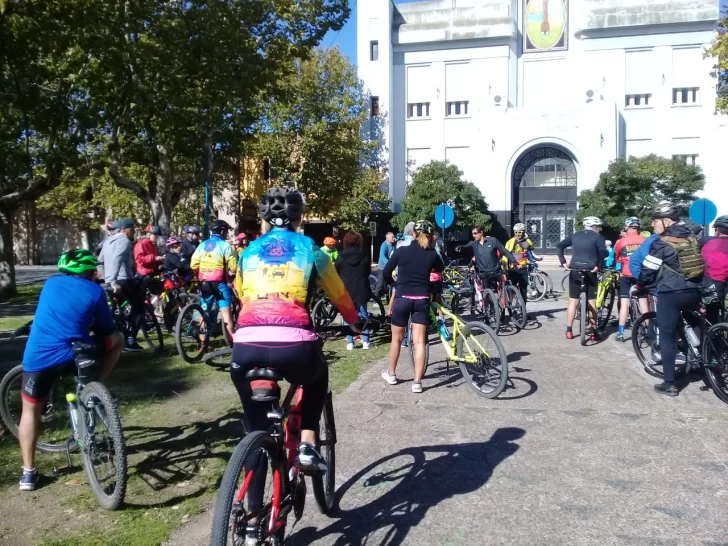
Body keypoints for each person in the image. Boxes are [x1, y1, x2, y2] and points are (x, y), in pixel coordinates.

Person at [232, 187, 360, 542]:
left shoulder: (247, 252)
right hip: (295, 346)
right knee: (317, 376)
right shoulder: (313, 251)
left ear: (263, 217)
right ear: (299, 216)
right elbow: (340, 296)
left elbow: (244, 294)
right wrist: (356, 322)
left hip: (246, 347)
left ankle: (253, 521)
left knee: (255, 429)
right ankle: (306, 443)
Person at [18, 250, 124, 491]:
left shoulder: (50, 283)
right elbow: (107, 328)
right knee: (118, 338)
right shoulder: (95, 291)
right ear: (87, 272)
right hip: (76, 355)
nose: (96, 273)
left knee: (29, 412)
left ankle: (28, 474)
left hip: (38, 358)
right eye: (93, 270)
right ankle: (96, 388)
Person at [636, 205, 704, 396]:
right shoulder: (691, 237)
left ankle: (669, 384)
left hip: (671, 293)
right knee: (696, 323)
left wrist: (641, 285)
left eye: (656, 220)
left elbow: (648, 270)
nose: (653, 224)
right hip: (695, 290)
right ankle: (701, 361)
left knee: (667, 336)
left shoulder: (662, 243)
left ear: (666, 221)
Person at [381, 220, 445, 393]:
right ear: (431, 237)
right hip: (421, 299)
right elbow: (440, 268)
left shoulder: (401, 250)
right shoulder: (432, 254)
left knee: (396, 339)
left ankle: (392, 373)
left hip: (402, 297)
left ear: (414, 234)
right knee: (419, 342)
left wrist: (394, 284)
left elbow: (386, 272)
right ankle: (417, 382)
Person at [556, 216, 608, 341]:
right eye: (598, 227)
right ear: (594, 227)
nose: (599, 229)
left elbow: (559, 246)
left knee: (572, 301)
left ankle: (569, 330)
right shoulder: (598, 237)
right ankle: (594, 332)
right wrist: (598, 265)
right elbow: (603, 252)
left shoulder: (575, 236)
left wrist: (563, 262)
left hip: (575, 269)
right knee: (592, 301)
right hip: (591, 270)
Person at [98, 218, 145, 352]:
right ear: (124, 229)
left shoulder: (108, 241)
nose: (134, 231)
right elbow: (117, 260)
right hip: (123, 281)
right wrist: (112, 281)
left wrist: (106, 277)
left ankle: (120, 329)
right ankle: (131, 340)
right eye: (132, 229)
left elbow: (99, 262)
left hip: (110, 280)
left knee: (117, 309)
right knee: (139, 308)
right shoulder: (124, 241)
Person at [190, 219, 238, 340]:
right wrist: (232, 273)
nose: (226, 234)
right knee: (227, 315)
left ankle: (203, 345)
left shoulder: (203, 245)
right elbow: (234, 266)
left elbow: (193, 265)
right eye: (226, 231)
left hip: (204, 282)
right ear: (222, 231)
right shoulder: (225, 246)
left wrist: (200, 274)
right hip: (219, 284)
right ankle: (233, 345)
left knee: (204, 313)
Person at [335, 231, 372, 350]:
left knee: (348, 315)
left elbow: (336, 271)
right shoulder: (364, 254)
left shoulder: (341, 255)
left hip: (347, 289)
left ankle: (350, 342)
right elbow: (368, 271)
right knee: (364, 314)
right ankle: (366, 341)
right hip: (361, 287)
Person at [614, 217, 647, 341]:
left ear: (627, 227)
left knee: (624, 304)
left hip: (626, 273)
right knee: (643, 302)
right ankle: (647, 330)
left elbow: (617, 258)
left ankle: (621, 333)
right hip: (640, 274)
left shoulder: (621, 241)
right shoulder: (644, 241)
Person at [455, 226, 517, 292]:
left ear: (481, 232)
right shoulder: (473, 244)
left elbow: (504, 251)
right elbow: (465, 246)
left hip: (496, 271)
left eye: (475, 233)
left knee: (506, 287)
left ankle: (505, 300)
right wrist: (460, 247)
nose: (473, 236)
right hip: (484, 273)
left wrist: (514, 261)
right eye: (473, 234)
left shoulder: (493, 240)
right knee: (487, 294)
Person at [700, 215, 728, 324]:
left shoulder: (706, 241)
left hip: (712, 282)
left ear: (717, 230)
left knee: (711, 313)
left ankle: (712, 338)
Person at [503, 223, 535, 304]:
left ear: (524, 232)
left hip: (523, 269)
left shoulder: (528, 242)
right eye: (516, 232)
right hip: (513, 269)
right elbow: (505, 255)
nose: (518, 234)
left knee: (524, 291)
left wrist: (532, 261)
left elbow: (530, 251)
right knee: (512, 290)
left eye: (520, 232)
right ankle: (509, 307)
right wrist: (505, 268)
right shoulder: (510, 242)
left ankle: (523, 311)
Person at [374, 232, 395, 297]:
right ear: (387, 238)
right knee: (380, 283)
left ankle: (387, 295)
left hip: (390, 267)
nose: (393, 238)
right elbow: (382, 255)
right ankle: (376, 299)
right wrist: (389, 263)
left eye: (393, 237)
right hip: (382, 267)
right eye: (392, 237)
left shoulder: (394, 244)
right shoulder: (384, 245)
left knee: (388, 282)